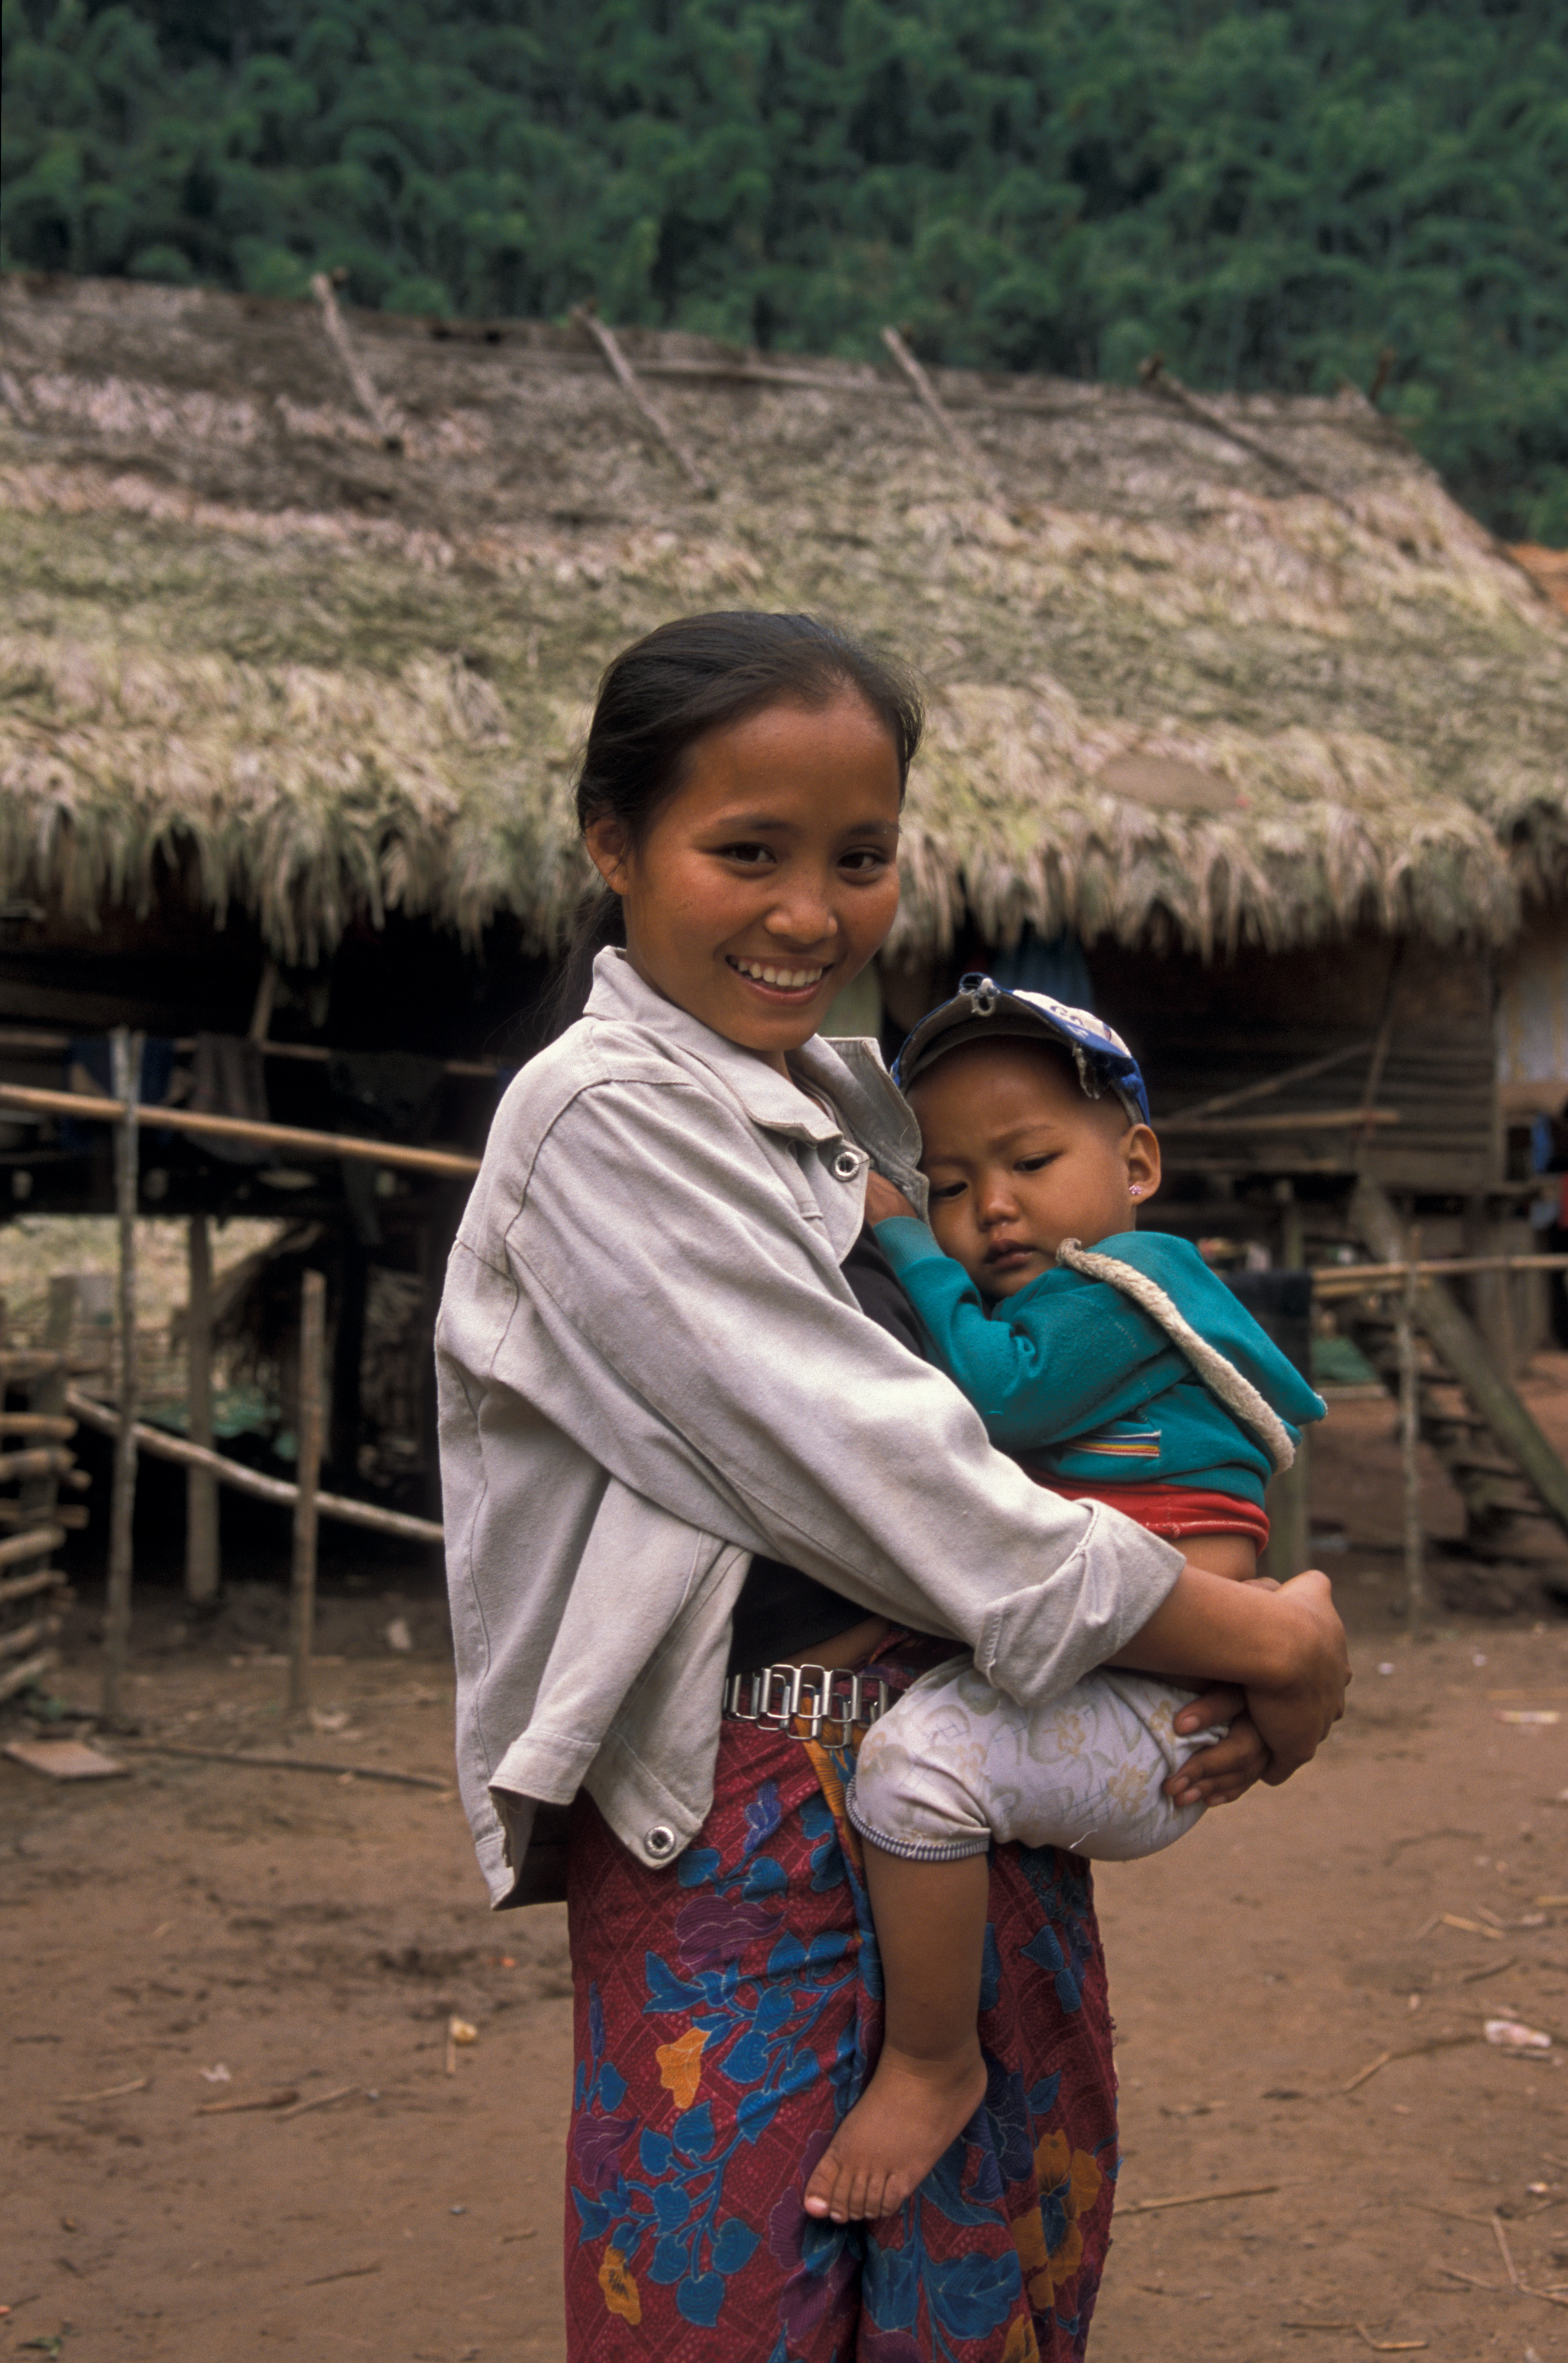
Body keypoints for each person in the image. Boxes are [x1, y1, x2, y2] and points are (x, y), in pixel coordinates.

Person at [435, 610, 1350, 2363]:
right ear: (611, 844)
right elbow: (896, 1485)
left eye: (859, 858)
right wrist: (1274, 1642)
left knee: (985, 2297)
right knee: (729, 2317)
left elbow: (1089, 1363)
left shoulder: (870, 1106)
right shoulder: (601, 1125)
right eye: (744, 852)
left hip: (967, 1782)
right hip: (740, 1821)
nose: (808, 913)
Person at [802, 976, 1328, 2226]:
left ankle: (933, 2061)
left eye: (1031, 1159)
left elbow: (1000, 1400)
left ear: (1135, 1160)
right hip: (1129, 1677)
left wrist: (905, 1242)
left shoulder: (1128, 1282)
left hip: (1155, 1709)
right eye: (943, 1181)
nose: (989, 1207)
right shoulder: (1079, 1287)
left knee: (916, 1771)